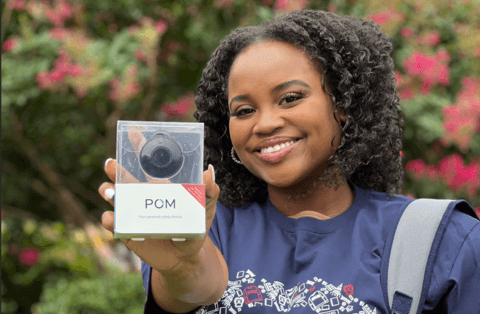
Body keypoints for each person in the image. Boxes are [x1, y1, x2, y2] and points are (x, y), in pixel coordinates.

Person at [98, 9, 480, 313]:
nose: (265, 124)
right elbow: (195, 287)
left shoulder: (442, 240)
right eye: (244, 110)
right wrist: (183, 268)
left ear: (343, 105)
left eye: (290, 98)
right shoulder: (202, 224)